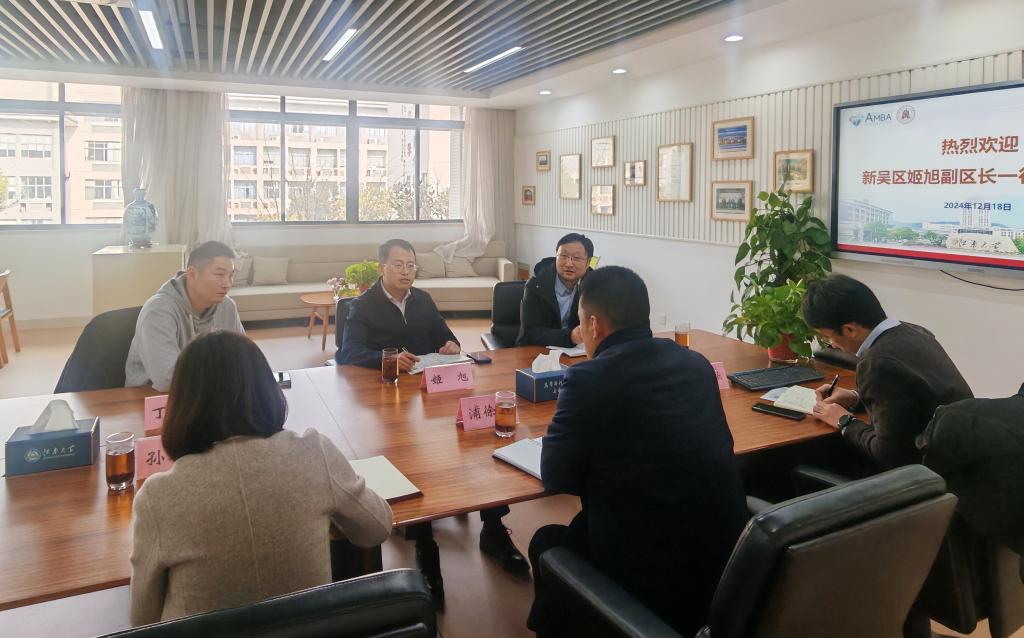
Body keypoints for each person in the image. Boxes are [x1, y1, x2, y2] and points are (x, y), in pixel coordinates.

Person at [528, 266, 749, 636]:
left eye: (581, 322)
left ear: (594, 325)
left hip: (650, 571)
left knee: (546, 543)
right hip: (727, 562)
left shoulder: (587, 379)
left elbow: (556, 475)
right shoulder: (695, 363)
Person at [129, 331, 392, 626]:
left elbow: (142, 620)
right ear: (267, 389)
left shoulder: (158, 496)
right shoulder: (312, 453)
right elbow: (377, 527)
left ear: (181, 404)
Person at [336, 239, 529, 602]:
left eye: (411, 265)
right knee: (417, 463)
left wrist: (451, 345)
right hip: (388, 398)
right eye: (398, 265)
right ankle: (425, 544)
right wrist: (388, 359)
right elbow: (348, 352)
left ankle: (493, 529)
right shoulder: (362, 306)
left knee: (475, 443)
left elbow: (445, 335)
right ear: (381, 268)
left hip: (432, 393)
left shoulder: (422, 300)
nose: (406, 272)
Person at [803, 273, 973, 471]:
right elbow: (910, 398)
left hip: (935, 471)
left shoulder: (876, 363)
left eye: (827, 337)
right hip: (966, 453)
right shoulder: (914, 331)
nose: (831, 345)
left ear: (850, 330)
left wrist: (844, 421)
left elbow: (891, 455)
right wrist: (856, 397)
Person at [125, 241, 244, 392]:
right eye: (220, 274)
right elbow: (167, 379)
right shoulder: (158, 311)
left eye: (231, 275)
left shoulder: (227, 307)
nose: (227, 284)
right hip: (151, 397)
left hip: (208, 394)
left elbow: (243, 358)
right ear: (192, 273)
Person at [516, 233, 593, 347]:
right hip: (536, 351)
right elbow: (530, 333)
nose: (569, 264)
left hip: (576, 352)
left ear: (588, 263)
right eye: (563, 256)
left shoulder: (593, 287)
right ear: (556, 256)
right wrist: (570, 336)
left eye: (576, 258)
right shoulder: (536, 285)